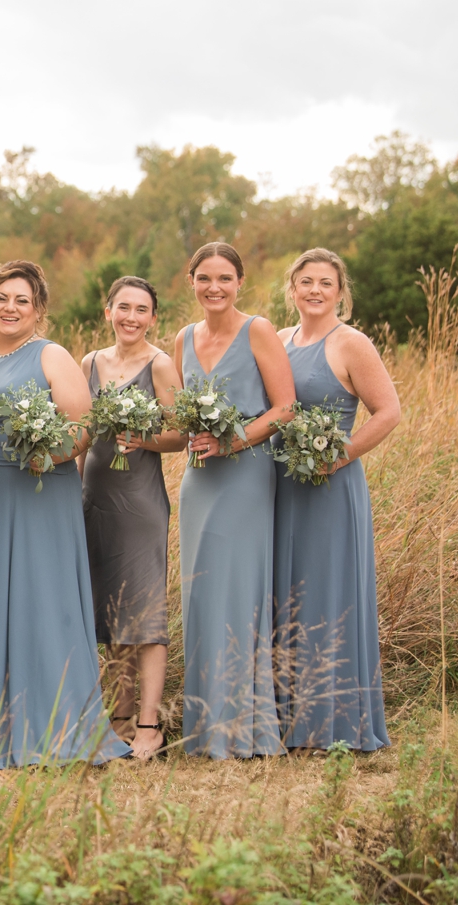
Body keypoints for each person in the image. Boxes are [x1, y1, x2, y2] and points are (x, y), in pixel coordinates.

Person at [0, 261, 129, 766]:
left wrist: (45, 453)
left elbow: (82, 427)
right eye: (2, 298)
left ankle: (57, 723)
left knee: (42, 599)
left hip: (40, 489)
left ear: (38, 309)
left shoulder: (52, 355)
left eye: (22, 300)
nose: (10, 308)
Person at [273, 248, 399, 753]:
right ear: (292, 288)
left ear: (341, 292)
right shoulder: (279, 341)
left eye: (325, 282)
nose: (315, 291)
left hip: (330, 487)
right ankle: (286, 717)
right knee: (288, 595)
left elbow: (388, 412)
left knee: (328, 593)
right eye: (306, 282)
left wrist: (338, 456)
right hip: (281, 487)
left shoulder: (353, 344)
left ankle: (336, 720)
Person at [174, 242, 296, 759]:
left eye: (224, 278)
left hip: (246, 474)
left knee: (236, 593)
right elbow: (180, 409)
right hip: (198, 480)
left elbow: (286, 408)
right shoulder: (182, 337)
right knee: (200, 594)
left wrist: (234, 439)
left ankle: (242, 727)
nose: (214, 287)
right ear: (192, 281)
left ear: (239, 282)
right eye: (205, 278)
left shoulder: (259, 330)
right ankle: (204, 727)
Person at [80, 276, 184, 761]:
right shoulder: (90, 363)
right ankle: (117, 719)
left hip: (139, 501)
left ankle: (148, 725)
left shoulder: (160, 365)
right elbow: (80, 435)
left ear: (153, 318)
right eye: (123, 307)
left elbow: (180, 435)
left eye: (141, 310)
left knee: (143, 612)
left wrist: (141, 440)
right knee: (109, 610)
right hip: (94, 496)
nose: (131, 317)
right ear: (108, 311)